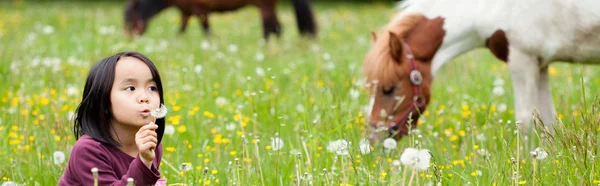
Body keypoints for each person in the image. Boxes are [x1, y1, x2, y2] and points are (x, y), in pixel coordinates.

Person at [59, 52, 166, 186]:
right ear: (103, 100)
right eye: (131, 88)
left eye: (152, 88)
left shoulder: (151, 144)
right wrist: (144, 162)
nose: (145, 97)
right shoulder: (88, 150)